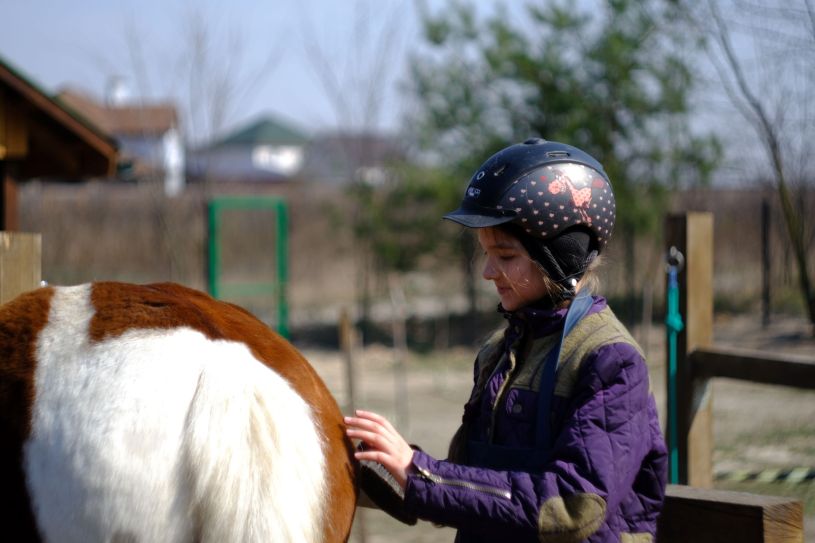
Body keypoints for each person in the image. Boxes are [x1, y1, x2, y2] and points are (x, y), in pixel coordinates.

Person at [345, 138, 668, 543]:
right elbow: (469, 485)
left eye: (506, 255)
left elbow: (573, 505)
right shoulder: (498, 352)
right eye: (485, 253)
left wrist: (422, 474)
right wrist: (378, 463)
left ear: (564, 253)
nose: (488, 272)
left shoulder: (611, 361)